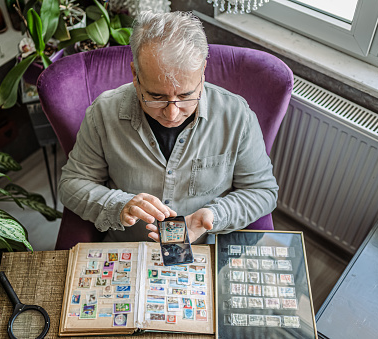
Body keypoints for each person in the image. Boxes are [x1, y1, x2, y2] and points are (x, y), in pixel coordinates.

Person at [59, 11, 278, 244]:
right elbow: (72, 184)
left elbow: (262, 192)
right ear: (135, 73)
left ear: (202, 72)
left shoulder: (236, 116)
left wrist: (215, 215)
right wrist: (119, 206)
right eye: (156, 96)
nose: (172, 113)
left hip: (203, 249)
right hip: (132, 248)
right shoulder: (103, 113)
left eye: (186, 95)